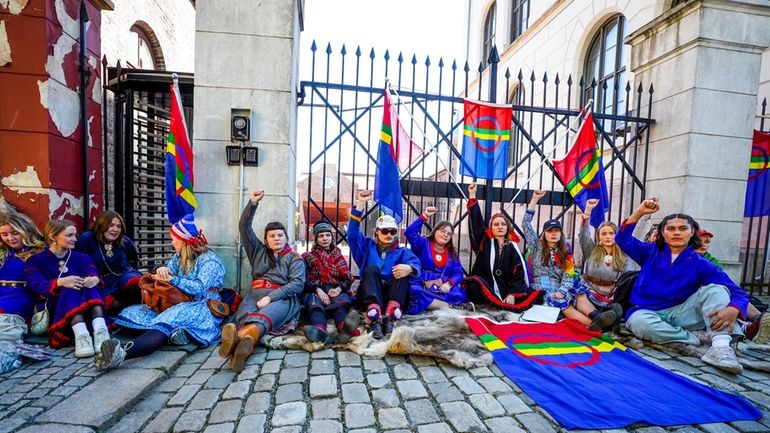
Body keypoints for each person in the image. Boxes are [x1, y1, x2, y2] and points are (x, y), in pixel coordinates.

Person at [616, 198, 751, 374]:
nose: (677, 233)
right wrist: (640, 211)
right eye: (671, 229)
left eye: (683, 228)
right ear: (663, 233)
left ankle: (721, 347)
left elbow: (736, 291)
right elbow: (622, 238)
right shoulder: (649, 252)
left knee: (716, 290)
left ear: (692, 232)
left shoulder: (701, 264)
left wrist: (734, 308)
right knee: (639, 323)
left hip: (682, 312)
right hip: (647, 312)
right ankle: (697, 339)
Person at [95, 214, 225, 370]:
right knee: (129, 314)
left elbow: (198, 288)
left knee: (164, 324)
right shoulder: (179, 257)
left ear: (183, 241)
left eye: (173, 239)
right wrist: (160, 270)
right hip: (177, 300)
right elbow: (168, 272)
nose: (172, 243)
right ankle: (178, 334)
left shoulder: (209, 260)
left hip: (201, 305)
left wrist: (173, 280)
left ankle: (122, 354)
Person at [218, 191, 305, 372]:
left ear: (287, 238)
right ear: (265, 239)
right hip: (254, 295)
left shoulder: (294, 258)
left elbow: (297, 284)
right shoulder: (257, 251)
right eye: (272, 236)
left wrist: (271, 297)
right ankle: (242, 347)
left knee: (264, 318)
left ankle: (239, 342)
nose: (276, 238)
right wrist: (252, 203)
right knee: (244, 317)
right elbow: (244, 227)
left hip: (282, 298)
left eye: (280, 235)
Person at [525, 191, 616, 330]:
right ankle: (594, 325)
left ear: (561, 233)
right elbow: (526, 224)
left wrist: (562, 290)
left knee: (578, 288)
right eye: (550, 231)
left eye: (557, 230)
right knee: (562, 301)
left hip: (560, 286)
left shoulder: (565, 249)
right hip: (542, 289)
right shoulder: (536, 245)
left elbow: (569, 274)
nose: (554, 233)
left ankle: (596, 316)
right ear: (544, 234)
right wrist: (535, 199)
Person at [24, 220, 110, 357]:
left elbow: (92, 272)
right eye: (70, 235)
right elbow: (36, 285)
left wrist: (94, 279)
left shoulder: (82, 258)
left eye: (75, 235)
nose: (75, 239)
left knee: (89, 286)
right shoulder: (35, 260)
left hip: (89, 311)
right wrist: (60, 282)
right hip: (58, 311)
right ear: (53, 237)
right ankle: (82, 337)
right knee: (69, 289)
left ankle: (101, 334)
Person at [349, 190, 421, 339]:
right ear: (376, 232)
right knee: (371, 269)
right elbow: (352, 235)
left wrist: (409, 268)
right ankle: (374, 318)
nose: (388, 235)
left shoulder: (402, 252)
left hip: (392, 295)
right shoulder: (366, 246)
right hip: (370, 294)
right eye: (384, 231)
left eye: (392, 231)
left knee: (402, 271)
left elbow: (415, 263)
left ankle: (389, 317)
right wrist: (361, 204)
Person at [463, 183, 541, 311]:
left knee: (533, 295)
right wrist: (472, 195)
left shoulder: (512, 248)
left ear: (507, 228)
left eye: (503, 224)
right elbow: (476, 222)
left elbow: (518, 274)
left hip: (506, 289)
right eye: (496, 224)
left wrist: (512, 294)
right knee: (474, 285)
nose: (500, 227)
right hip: (486, 287)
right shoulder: (483, 241)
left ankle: (504, 300)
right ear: (491, 228)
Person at [695, 229, 770, 344]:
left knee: (726, 294)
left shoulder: (710, 260)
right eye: (699, 241)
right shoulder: (686, 259)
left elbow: (727, 285)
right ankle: (747, 326)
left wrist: (734, 306)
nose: (703, 245)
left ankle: (758, 320)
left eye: (707, 242)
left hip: (715, 297)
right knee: (716, 294)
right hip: (696, 299)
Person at [404, 206, 472, 313]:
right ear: (435, 231)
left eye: (449, 234)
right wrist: (424, 216)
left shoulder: (452, 254)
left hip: (443, 287)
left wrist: (449, 284)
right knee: (414, 291)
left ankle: (432, 304)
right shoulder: (423, 243)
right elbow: (409, 233)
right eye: (443, 231)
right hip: (422, 283)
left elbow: (458, 273)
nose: (446, 235)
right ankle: (451, 307)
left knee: (460, 294)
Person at [301, 221, 360, 344]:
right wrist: (318, 290)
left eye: (328, 235)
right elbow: (303, 279)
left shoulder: (338, 255)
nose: (325, 238)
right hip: (315, 289)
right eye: (321, 236)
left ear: (332, 237)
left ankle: (345, 329)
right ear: (316, 239)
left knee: (340, 304)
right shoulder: (307, 257)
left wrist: (339, 289)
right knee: (314, 305)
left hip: (335, 288)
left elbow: (347, 279)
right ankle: (320, 331)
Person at [75, 211, 142, 315]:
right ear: (101, 225)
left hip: (122, 276)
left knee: (138, 283)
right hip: (99, 282)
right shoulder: (86, 240)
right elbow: (77, 265)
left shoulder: (124, 241)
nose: (115, 230)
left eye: (118, 226)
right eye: (111, 225)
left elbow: (133, 261)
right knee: (116, 307)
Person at [578, 198, 633, 317]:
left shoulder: (623, 254)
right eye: (604, 233)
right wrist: (588, 210)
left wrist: (644, 215)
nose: (608, 236)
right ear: (598, 237)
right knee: (579, 295)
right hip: (589, 292)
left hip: (611, 296)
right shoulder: (590, 249)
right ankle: (597, 316)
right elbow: (583, 233)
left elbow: (627, 278)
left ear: (617, 235)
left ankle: (608, 315)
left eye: (611, 233)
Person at [0, 212, 46, 341]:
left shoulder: (40, 252)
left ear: (27, 230)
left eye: (15, 233)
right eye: (4, 234)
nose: (10, 238)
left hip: (22, 297)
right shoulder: (2, 251)